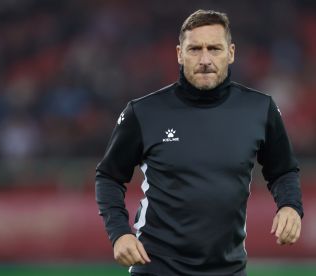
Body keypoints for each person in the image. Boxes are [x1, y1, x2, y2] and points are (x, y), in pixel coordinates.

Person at [95, 9, 303, 276]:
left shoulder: (260, 109)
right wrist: (120, 234)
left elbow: (283, 171)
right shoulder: (144, 112)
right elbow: (108, 176)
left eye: (214, 48)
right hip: (157, 268)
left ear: (231, 52)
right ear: (180, 54)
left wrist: (290, 206)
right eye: (195, 49)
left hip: (228, 270)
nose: (205, 59)